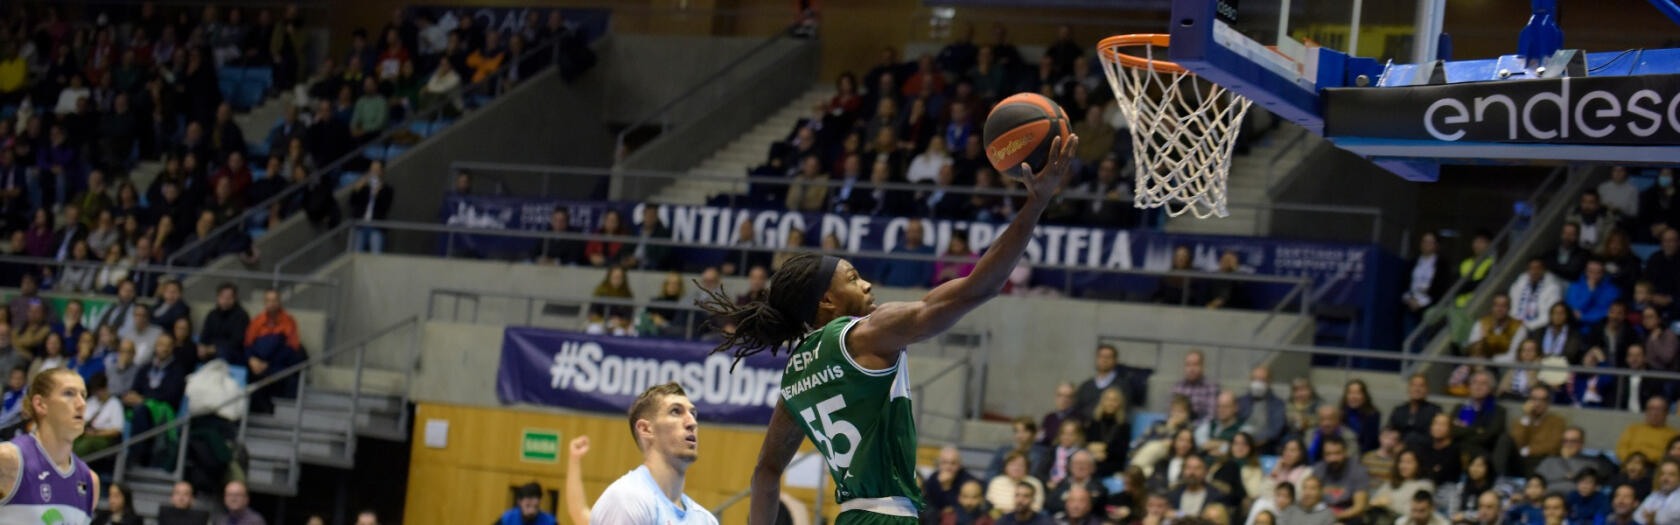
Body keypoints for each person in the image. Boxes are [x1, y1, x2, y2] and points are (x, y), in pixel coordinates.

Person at [729, 135, 1079, 524]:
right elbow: (979, 288)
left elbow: (765, 474)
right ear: (827, 301)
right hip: (888, 515)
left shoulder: (796, 372)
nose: (867, 285)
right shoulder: (864, 333)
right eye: (854, 278)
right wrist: (1037, 202)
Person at [589, 383, 718, 524]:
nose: (692, 422)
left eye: (692, 414)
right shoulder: (627, 500)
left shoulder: (706, 520)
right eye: (676, 411)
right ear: (646, 429)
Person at [0, 368, 99, 523]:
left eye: (83, 395)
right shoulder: (7, 459)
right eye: (69, 393)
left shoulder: (90, 480)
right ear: (40, 404)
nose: (81, 404)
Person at [1453, 370, 1509, 473]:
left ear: (1491, 389)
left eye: (1483, 383)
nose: (1478, 386)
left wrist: (1465, 429)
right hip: (1457, 453)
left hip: (1484, 455)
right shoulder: (1460, 408)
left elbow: (1490, 436)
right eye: (1475, 382)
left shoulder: (1498, 411)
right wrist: (1477, 430)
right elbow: (1453, 431)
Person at [1535, 426, 1614, 494]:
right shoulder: (1549, 461)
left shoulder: (1591, 463)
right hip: (1548, 499)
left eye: (1573, 441)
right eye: (1565, 441)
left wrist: (1567, 461)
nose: (1568, 445)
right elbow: (1536, 483)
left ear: (1582, 443)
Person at [1074, 344, 1149, 415]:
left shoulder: (1123, 386)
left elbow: (1123, 411)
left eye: (1108, 357)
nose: (1104, 360)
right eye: (1101, 356)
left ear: (1115, 360)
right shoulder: (1086, 385)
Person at [1511, 384, 1567, 470]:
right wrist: (1527, 417)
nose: (1537, 403)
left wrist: (1529, 451)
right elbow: (1516, 443)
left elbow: (1553, 446)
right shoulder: (1521, 421)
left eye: (1542, 400)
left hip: (1543, 461)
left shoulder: (1557, 421)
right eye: (1534, 399)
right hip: (1520, 461)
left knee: (1534, 461)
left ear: (1548, 403)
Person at [1371, 449, 1434, 519]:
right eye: (1401, 462)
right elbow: (1374, 501)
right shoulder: (1391, 482)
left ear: (1419, 464)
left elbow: (1416, 512)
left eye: (1409, 462)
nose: (1404, 466)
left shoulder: (1425, 485)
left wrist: (1388, 504)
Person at [1617, 397, 1679, 467]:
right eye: (1651, 409)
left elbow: (1671, 457)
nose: (1654, 413)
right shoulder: (1633, 429)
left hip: (1655, 469)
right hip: (1630, 466)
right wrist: (1633, 461)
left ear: (1666, 413)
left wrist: (1645, 460)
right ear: (1646, 411)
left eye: (1659, 409)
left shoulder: (1673, 434)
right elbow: (1621, 450)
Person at [1238, 365, 1287, 453]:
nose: (1258, 384)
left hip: (1265, 447)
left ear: (1269, 382)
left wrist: (1252, 441)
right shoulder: (1241, 401)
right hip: (1240, 444)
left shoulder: (1278, 405)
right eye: (1255, 379)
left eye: (1262, 380)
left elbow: (1275, 431)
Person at [1511, 257, 1567, 332]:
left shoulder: (1552, 288)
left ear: (1543, 270)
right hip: (1517, 326)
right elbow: (1512, 308)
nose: (1534, 272)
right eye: (1532, 268)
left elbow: (1549, 317)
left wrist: (1527, 326)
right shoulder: (1520, 283)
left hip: (1539, 328)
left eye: (1537, 268)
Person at [1390, 374, 1442, 446]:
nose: (1417, 389)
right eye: (1414, 385)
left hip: (1425, 449)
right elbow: (1390, 430)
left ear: (1427, 389)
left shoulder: (1435, 410)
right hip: (1398, 449)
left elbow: (1435, 436)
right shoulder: (1399, 410)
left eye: (1421, 386)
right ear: (1408, 388)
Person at [923, 446, 978, 514]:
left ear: (960, 465)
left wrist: (947, 487)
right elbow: (929, 502)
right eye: (944, 462)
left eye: (953, 463)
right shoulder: (933, 478)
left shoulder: (968, 481)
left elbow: (956, 508)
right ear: (939, 464)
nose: (948, 467)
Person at [1171, 350, 1220, 422]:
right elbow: (1170, 415)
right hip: (1178, 428)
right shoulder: (1178, 387)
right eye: (1188, 365)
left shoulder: (1210, 388)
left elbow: (1211, 417)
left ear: (1203, 367)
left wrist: (1190, 428)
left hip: (1200, 429)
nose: (1191, 369)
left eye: (1195, 364)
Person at [1636, 459, 1680, 524]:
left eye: (1671, 474)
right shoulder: (1655, 495)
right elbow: (1637, 516)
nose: (1665, 478)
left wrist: (1654, 519)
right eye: (1662, 474)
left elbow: (1667, 518)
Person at [1039, 382, 1081, 448]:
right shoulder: (1049, 418)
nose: (1063, 399)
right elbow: (1042, 439)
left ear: (1074, 399)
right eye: (1060, 395)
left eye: (1068, 396)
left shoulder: (1079, 418)